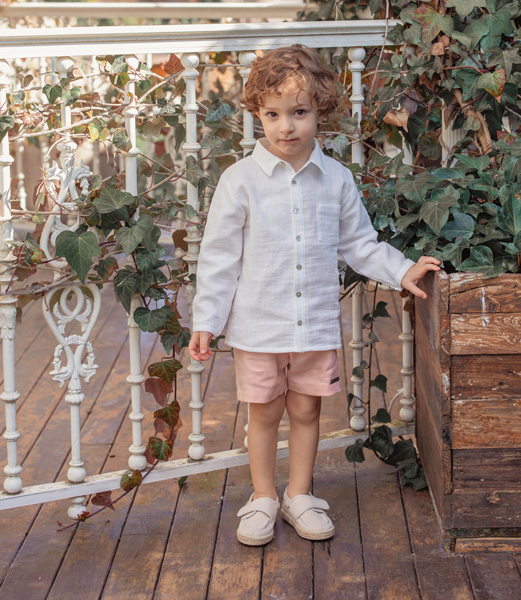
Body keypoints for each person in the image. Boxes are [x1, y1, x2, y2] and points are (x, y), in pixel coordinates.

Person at [188, 45, 440, 546]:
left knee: (306, 410)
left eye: (299, 113)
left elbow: (359, 244)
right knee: (264, 412)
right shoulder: (239, 182)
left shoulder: (337, 180)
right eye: (273, 114)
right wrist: (206, 321)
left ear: (318, 111)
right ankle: (262, 497)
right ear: (258, 113)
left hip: (314, 323)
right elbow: (219, 259)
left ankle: (298, 494)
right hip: (259, 325)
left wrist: (402, 269)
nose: (286, 127)